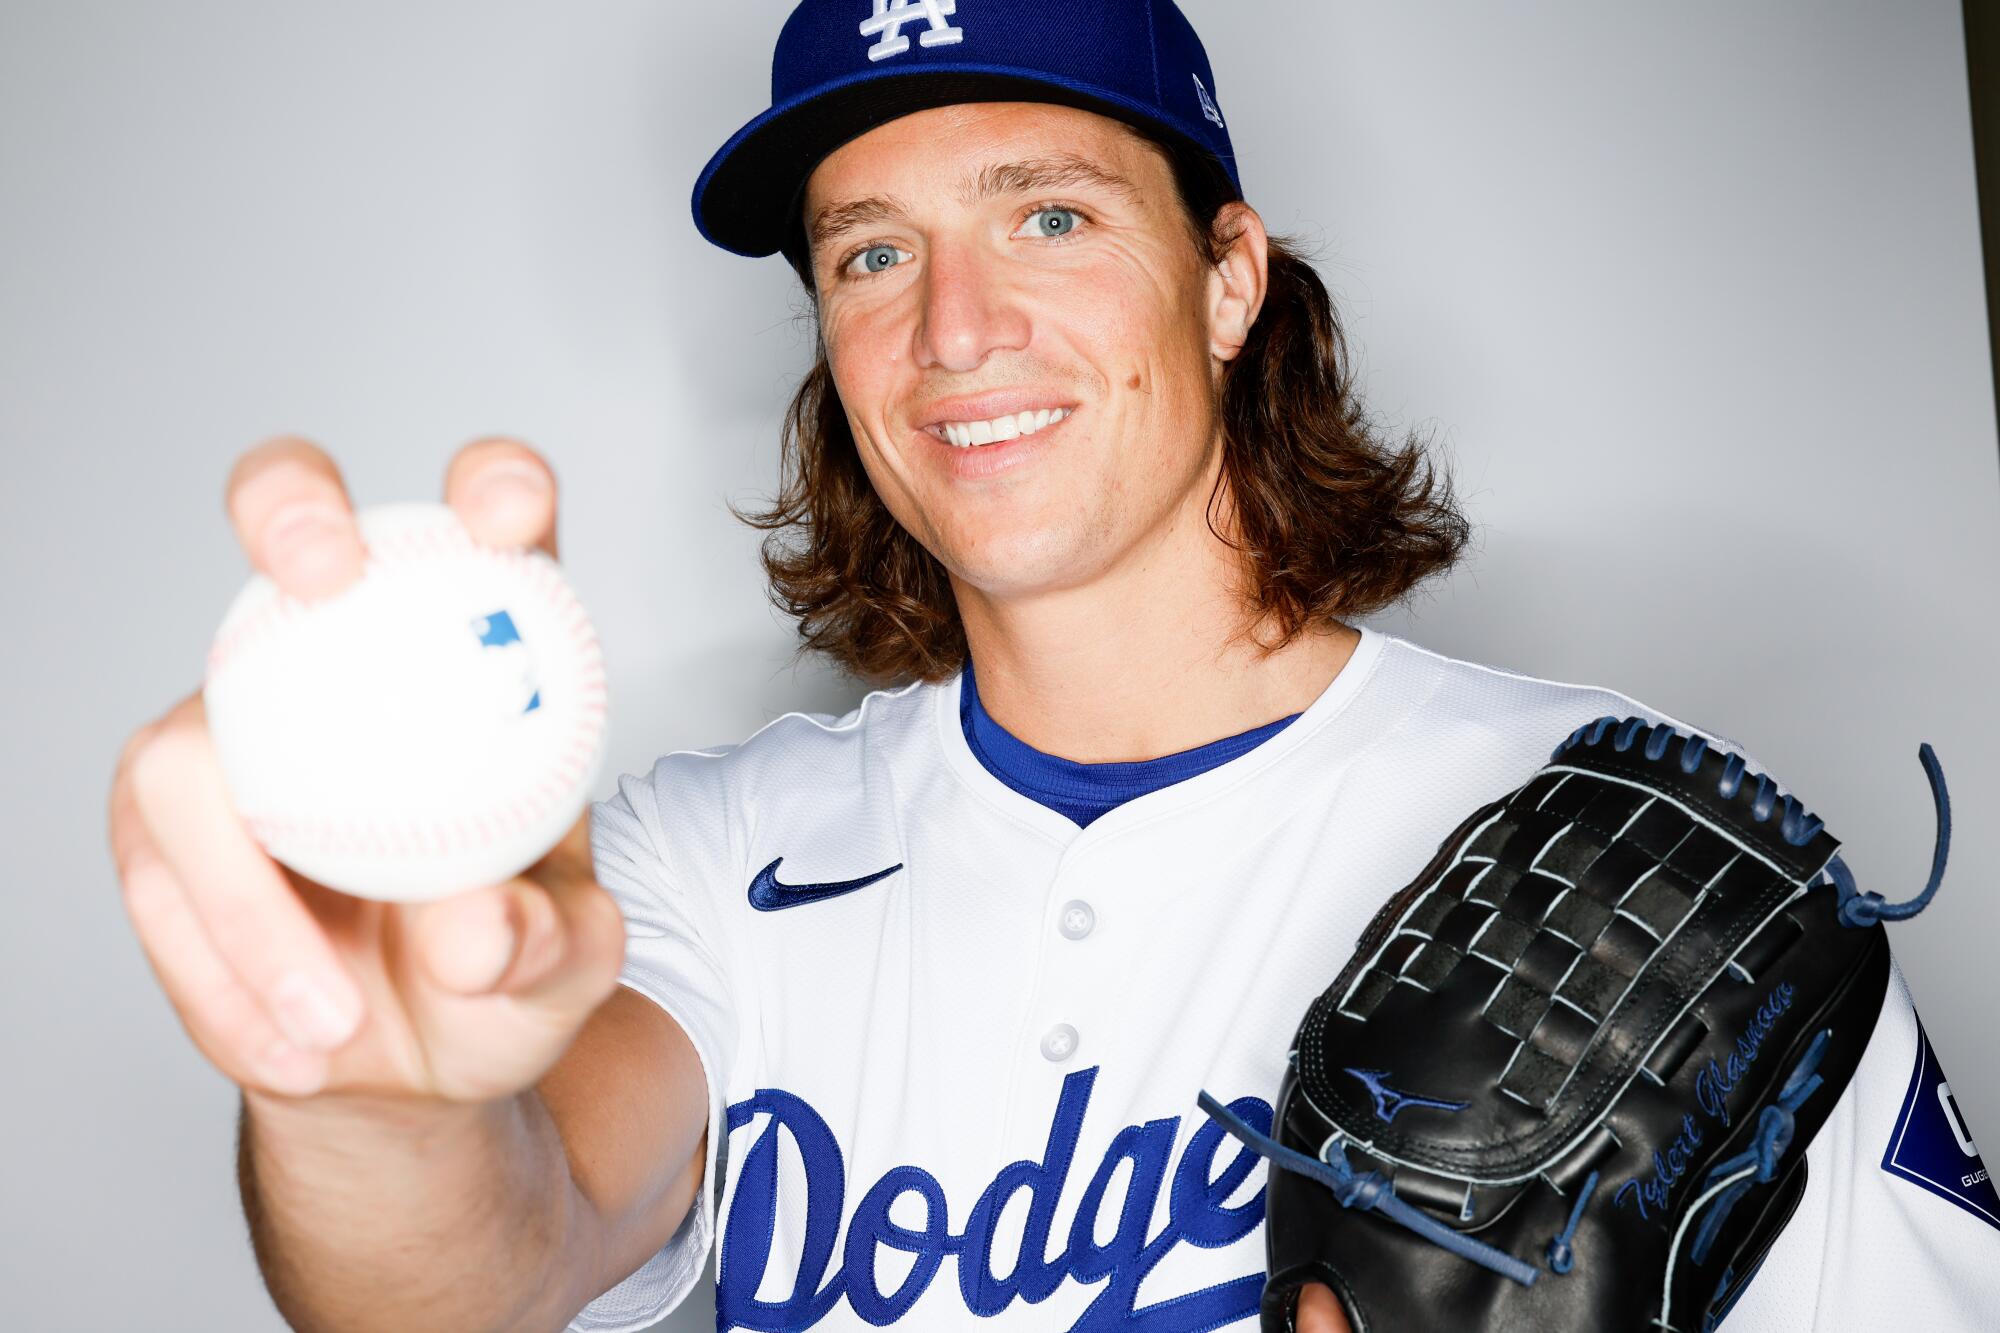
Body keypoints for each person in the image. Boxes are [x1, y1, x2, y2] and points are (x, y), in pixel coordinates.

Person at [107, 3, 1999, 1330]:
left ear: (1229, 274)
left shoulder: (1648, 843)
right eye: (869, 255)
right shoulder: (708, 848)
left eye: (1052, 215)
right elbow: (480, 1268)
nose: (955, 331)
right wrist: (360, 1103)